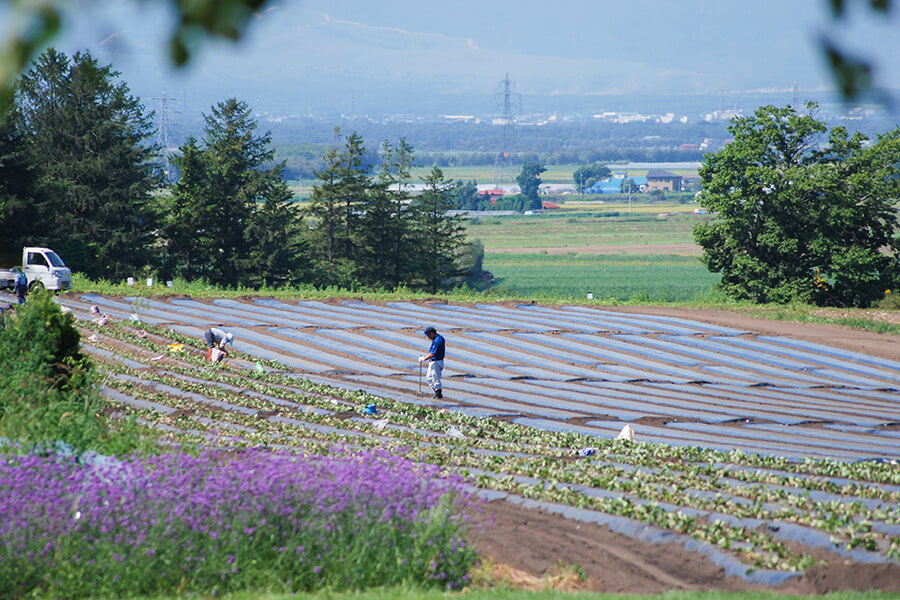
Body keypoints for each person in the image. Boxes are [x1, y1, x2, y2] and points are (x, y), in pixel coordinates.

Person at [418, 326, 445, 399]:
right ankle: (436, 393)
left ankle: (438, 395)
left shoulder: (437, 341)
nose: (428, 337)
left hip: (436, 362)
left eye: (428, 335)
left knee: (435, 379)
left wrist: (424, 359)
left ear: (432, 333)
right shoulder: (438, 338)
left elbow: (432, 354)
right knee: (429, 378)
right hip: (434, 361)